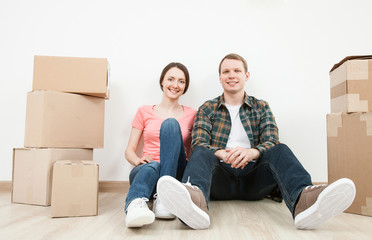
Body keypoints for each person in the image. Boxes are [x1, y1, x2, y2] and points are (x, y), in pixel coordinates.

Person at [157, 53, 356, 230]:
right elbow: (199, 141)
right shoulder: (207, 108)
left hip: (254, 179)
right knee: (201, 151)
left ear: (246, 76)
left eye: (237, 70)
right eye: (226, 71)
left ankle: (304, 201)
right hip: (218, 179)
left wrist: (253, 152)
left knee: (280, 149)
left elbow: (271, 139)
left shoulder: (261, 107)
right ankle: (195, 202)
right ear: (220, 78)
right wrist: (221, 153)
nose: (231, 75)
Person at [124, 62, 197, 228]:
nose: (175, 85)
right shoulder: (144, 111)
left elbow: (194, 151)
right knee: (153, 165)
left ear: (185, 87)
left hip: (176, 172)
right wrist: (137, 161)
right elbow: (129, 150)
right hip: (147, 170)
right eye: (170, 79)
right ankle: (135, 205)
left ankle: (164, 198)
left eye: (181, 81)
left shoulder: (193, 114)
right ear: (162, 82)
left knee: (170, 124)